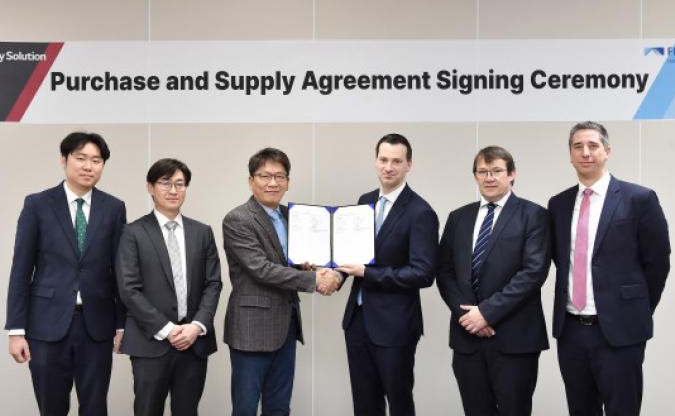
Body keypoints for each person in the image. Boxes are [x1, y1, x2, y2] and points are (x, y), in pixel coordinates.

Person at [549, 121, 671, 416]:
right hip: (571, 330)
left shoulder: (639, 199)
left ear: (607, 151)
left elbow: (658, 262)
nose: (585, 152)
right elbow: (559, 259)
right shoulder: (558, 204)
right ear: (570, 154)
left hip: (620, 330)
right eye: (578, 146)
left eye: (593, 146)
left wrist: (634, 308)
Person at [5, 132, 126, 416]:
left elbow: (120, 271)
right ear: (64, 160)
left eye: (96, 160)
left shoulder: (114, 208)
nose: (88, 166)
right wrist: (16, 330)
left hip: (96, 326)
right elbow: (21, 270)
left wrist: (122, 325)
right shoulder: (37, 204)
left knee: (95, 408)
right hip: (45, 325)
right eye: (81, 158)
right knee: (52, 408)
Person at [222, 147, 339, 416]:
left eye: (280, 176)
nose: (273, 183)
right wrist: (315, 279)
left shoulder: (292, 217)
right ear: (251, 181)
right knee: (245, 408)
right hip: (252, 329)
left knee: (279, 407)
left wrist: (309, 265)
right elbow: (261, 269)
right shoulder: (238, 219)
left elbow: (290, 261)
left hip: (286, 326)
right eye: (265, 176)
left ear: (288, 182)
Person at [437, 146, 550, 416]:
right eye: (483, 172)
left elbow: (533, 273)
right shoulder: (458, 217)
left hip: (514, 339)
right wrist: (468, 317)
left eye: (497, 171)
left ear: (512, 174)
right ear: (475, 176)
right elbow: (444, 272)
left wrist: (486, 313)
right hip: (468, 339)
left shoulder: (533, 215)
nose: (489, 178)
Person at [336, 133, 438, 416]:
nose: (388, 167)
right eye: (383, 160)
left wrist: (368, 274)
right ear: (375, 161)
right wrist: (335, 274)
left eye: (396, 161)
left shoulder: (421, 212)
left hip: (395, 325)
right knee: (364, 405)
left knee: (399, 403)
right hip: (357, 322)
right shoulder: (365, 201)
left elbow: (423, 273)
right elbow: (354, 256)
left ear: (409, 165)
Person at [115, 158, 222, 416]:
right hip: (150, 342)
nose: (173, 190)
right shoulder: (132, 232)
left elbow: (213, 283)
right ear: (150, 187)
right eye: (165, 183)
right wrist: (168, 329)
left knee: (188, 411)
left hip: (193, 342)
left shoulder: (202, 232)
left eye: (180, 184)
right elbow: (129, 289)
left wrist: (196, 326)